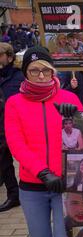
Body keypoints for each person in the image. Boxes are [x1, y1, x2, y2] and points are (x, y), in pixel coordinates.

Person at [5, 46, 83, 237]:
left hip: (66, 184)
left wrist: (78, 118)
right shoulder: (14, 103)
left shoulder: (68, 98)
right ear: (25, 73)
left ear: (53, 71)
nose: (40, 76)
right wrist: (42, 172)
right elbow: (16, 143)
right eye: (34, 71)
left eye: (45, 70)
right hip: (33, 185)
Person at [0, 42, 24, 212]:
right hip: (1, 125)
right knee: (4, 161)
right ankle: (13, 194)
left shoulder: (19, 76)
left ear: (9, 57)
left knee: (24, 159)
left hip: (18, 124)